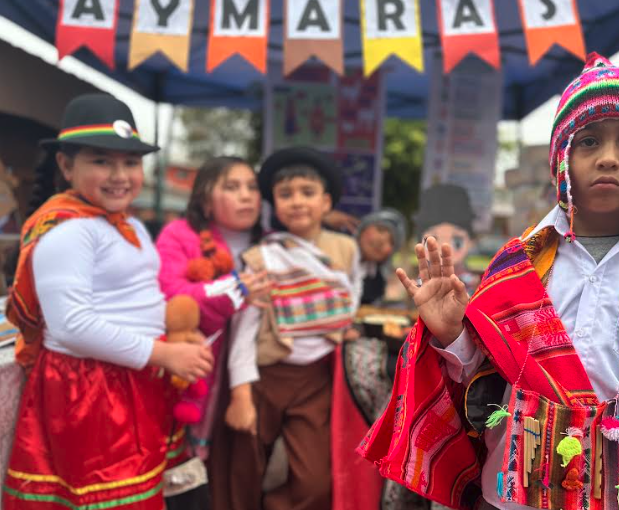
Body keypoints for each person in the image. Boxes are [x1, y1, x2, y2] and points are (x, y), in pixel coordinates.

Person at [359, 54, 619, 510]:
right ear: (562, 158)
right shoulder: (518, 265)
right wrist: (452, 335)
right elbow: (483, 381)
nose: (609, 158)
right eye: (589, 141)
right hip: (512, 496)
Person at [2, 93, 213, 510]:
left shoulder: (127, 223)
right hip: (90, 388)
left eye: (130, 162)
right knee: (107, 498)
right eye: (101, 161)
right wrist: (163, 352)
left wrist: (178, 339)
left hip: (132, 376)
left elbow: (140, 298)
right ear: (66, 166)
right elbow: (71, 326)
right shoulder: (68, 231)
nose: (120, 175)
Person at [209, 147, 362, 510]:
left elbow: (349, 298)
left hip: (317, 380)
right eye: (286, 194)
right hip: (264, 377)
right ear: (274, 204)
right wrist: (241, 395)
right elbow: (245, 329)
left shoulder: (345, 249)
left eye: (307, 193)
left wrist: (341, 327)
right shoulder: (262, 256)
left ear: (326, 202)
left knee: (314, 481)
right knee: (240, 472)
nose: (297, 202)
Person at [155, 156, 270, 508]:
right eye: (232, 187)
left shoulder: (269, 245)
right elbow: (169, 296)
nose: (246, 196)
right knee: (175, 469)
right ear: (205, 198)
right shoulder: (179, 235)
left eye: (252, 187)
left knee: (225, 472)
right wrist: (234, 288)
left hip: (247, 377)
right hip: (189, 369)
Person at [355, 208, 407, 305]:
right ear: (363, 229)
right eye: (380, 229)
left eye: (391, 241)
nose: (381, 240)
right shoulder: (334, 257)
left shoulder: (377, 282)